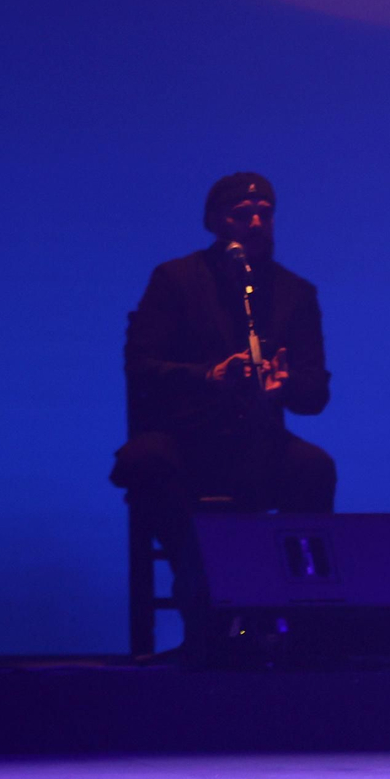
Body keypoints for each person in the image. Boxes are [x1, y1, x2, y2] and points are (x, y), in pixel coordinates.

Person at [110, 172, 336, 648]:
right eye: (241, 215)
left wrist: (283, 386)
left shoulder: (296, 293)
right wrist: (209, 375)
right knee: (144, 462)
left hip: (256, 442)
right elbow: (141, 366)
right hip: (186, 437)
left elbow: (315, 394)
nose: (256, 222)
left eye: (265, 213)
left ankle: (296, 617)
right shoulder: (175, 279)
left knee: (314, 469)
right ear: (214, 222)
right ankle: (204, 602)